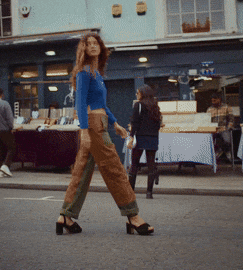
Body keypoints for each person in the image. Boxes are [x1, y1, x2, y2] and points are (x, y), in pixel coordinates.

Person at [56, 33, 154, 236]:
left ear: (100, 48)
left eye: (95, 43)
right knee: (115, 169)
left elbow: (102, 105)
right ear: (83, 49)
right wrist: (84, 131)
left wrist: (115, 124)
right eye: (88, 44)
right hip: (92, 126)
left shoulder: (97, 74)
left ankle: (66, 215)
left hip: (98, 123)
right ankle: (133, 216)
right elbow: (80, 103)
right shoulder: (84, 72)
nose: (92, 46)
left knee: (81, 172)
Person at [127, 84, 162, 199]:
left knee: (134, 164)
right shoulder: (155, 106)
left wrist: (131, 137)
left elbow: (135, 122)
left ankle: (131, 192)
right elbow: (158, 123)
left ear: (143, 94)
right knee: (151, 165)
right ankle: (149, 193)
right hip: (153, 138)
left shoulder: (138, 105)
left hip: (140, 137)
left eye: (138, 93)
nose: (136, 95)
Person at [206, 92, 234, 162]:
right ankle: (219, 151)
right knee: (207, 141)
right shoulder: (209, 109)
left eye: (214, 100)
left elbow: (231, 119)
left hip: (223, 128)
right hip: (213, 130)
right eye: (212, 101)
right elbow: (206, 121)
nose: (213, 102)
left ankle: (221, 150)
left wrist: (228, 127)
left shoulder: (227, 107)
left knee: (227, 140)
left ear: (219, 99)